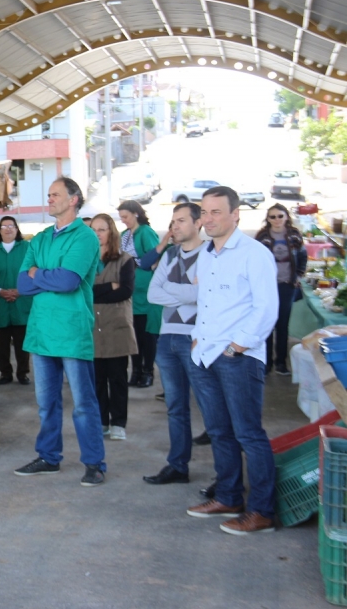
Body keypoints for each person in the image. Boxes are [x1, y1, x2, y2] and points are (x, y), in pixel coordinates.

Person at [186, 186, 279, 535]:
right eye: (204, 213)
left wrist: (238, 346)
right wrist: (197, 338)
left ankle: (261, 511)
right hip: (205, 355)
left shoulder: (254, 254)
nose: (208, 219)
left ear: (236, 214)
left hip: (237, 357)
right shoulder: (207, 254)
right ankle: (228, 496)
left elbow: (266, 308)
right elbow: (206, 302)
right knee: (220, 432)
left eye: (216, 213)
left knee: (249, 435)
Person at [13, 177, 105, 487]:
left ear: (74, 199)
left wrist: (38, 273)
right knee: (46, 403)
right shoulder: (39, 239)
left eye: (55, 195)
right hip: (41, 332)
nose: (49, 199)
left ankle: (94, 463)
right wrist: (41, 276)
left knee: (82, 404)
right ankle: (49, 457)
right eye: (48, 194)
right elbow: (23, 284)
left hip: (71, 331)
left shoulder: (85, 238)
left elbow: (69, 282)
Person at [143, 202, 209, 486]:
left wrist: (173, 288)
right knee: (176, 407)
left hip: (197, 337)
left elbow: (206, 295)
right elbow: (152, 294)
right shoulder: (169, 254)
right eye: (173, 222)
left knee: (210, 406)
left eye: (181, 221)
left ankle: (225, 476)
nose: (175, 227)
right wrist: (188, 293)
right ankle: (177, 466)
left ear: (199, 223)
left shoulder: (210, 255)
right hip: (168, 335)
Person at [89, 214, 137, 441]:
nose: (97, 233)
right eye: (94, 229)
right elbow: (81, 292)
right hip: (92, 327)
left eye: (102, 229)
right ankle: (101, 421)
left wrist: (95, 292)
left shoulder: (125, 259)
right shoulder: (85, 259)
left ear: (112, 232)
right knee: (97, 378)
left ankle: (119, 422)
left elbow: (126, 291)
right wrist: (110, 286)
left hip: (117, 326)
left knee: (117, 378)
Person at [255, 204, 307, 375]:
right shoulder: (262, 236)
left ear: (286, 217)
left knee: (282, 325)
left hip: (287, 285)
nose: (276, 220)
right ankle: (266, 362)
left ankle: (281, 363)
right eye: (272, 217)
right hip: (267, 287)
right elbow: (254, 260)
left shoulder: (294, 235)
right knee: (267, 324)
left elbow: (302, 256)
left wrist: (297, 277)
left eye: (280, 216)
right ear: (268, 219)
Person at [118, 201, 161, 388]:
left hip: (145, 290)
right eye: (121, 218)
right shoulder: (124, 235)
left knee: (146, 335)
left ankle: (147, 371)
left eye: (126, 216)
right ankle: (135, 370)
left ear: (136, 214)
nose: (124, 221)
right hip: (131, 292)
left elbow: (154, 257)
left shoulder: (145, 232)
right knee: (133, 335)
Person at [0, 216, 32, 385]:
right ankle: (5, 372)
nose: (8, 229)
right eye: (4, 226)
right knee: (2, 342)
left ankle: (23, 372)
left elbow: (33, 271)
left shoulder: (27, 248)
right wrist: (0, 292)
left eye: (11, 226)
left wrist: (21, 290)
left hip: (22, 301)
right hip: (0, 303)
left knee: (22, 342)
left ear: (17, 229)